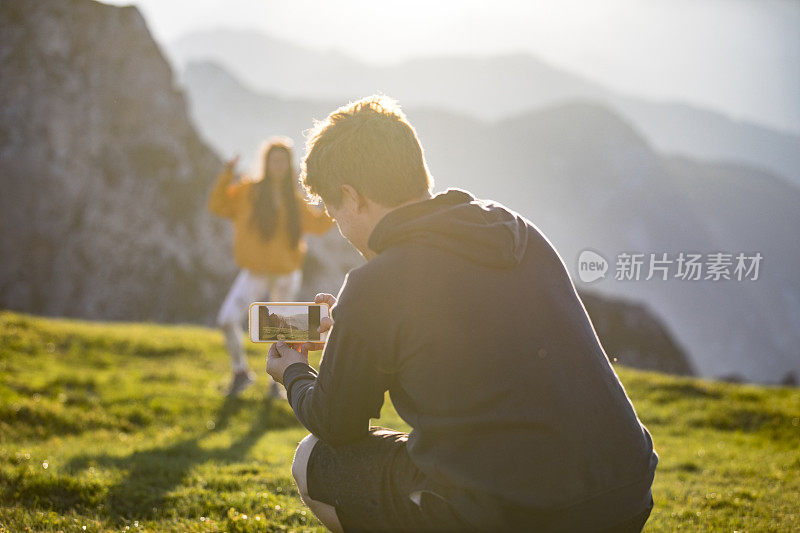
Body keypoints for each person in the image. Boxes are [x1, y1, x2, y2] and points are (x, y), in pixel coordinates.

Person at [266, 95, 658, 532]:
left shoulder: (375, 285)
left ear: (351, 197)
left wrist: (295, 371)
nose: (337, 225)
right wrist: (354, 327)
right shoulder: (512, 230)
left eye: (333, 210)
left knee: (312, 460)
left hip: (521, 516)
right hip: (624, 496)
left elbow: (336, 422)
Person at [207, 136, 334, 397]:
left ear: (289, 165)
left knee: (283, 334)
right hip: (255, 272)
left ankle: (279, 386)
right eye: (274, 160)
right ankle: (240, 373)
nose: (278, 165)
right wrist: (226, 173)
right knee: (227, 319)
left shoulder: (294, 201)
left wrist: (334, 197)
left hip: (286, 274)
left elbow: (319, 226)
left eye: (283, 160)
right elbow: (218, 205)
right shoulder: (248, 191)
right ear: (266, 162)